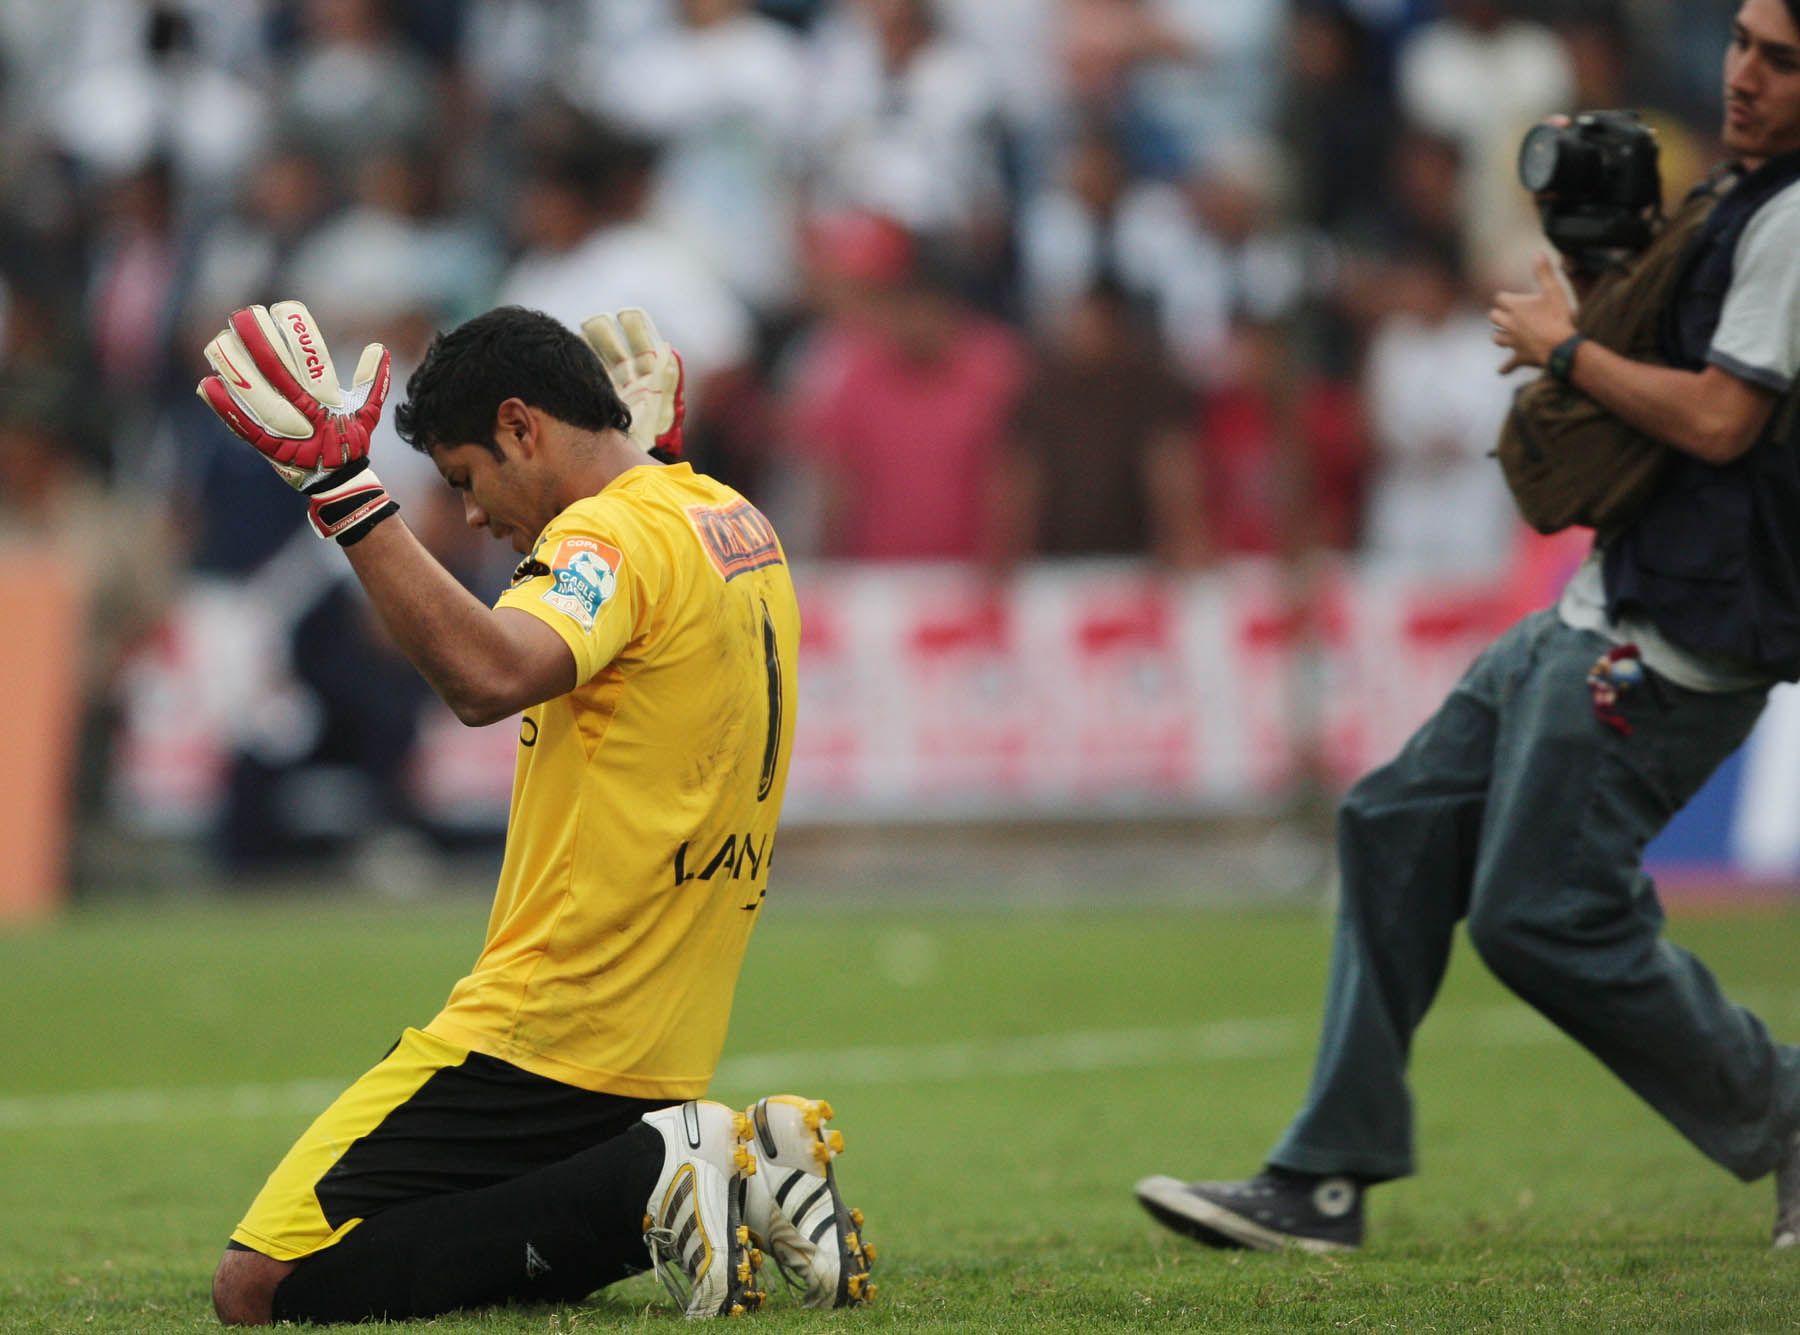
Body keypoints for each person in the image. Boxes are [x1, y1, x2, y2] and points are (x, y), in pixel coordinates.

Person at [1136, 0, 1800, 1255]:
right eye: (1742, 42)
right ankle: (1325, 1178)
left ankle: (1790, 1108)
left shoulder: (1793, 221)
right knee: (1388, 827)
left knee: (1544, 917)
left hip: (1668, 644)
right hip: (1601, 605)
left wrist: (1566, 351)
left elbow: (1721, 422)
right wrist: (1605, 275)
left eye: (1782, 58)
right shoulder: (1736, 197)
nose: (1746, 74)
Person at [195, 300, 875, 1323]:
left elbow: (487, 673)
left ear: (523, 426)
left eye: (467, 477)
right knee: (479, 1217)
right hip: (667, 1039)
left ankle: (656, 1174)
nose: (470, 514)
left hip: (553, 1019)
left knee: (264, 1281)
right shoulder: (731, 519)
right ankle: (737, 1170)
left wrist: (342, 490)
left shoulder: (607, 533)